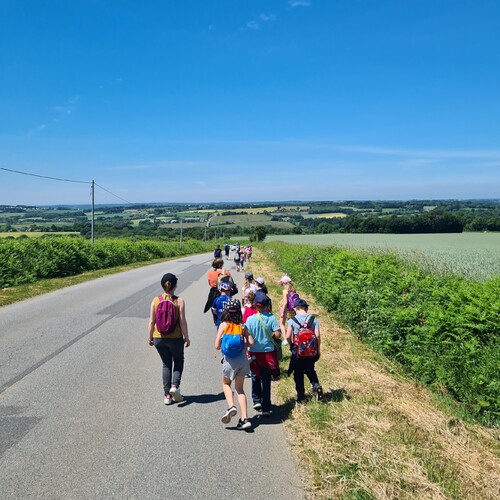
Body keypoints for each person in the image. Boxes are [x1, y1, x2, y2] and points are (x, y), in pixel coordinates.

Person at [148, 273, 190, 405]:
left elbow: (151, 321)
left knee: (166, 364)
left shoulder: (156, 300)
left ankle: (167, 396)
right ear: (175, 285)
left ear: (162, 285)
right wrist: (187, 337)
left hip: (158, 338)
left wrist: (150, 337)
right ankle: (174, 386)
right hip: (175, 337)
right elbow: (182, 321)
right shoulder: (179, 301)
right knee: (178, 360)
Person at [215, 299, 254, 430]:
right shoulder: (242, 326)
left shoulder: (223, 325)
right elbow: (251, 343)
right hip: (243, 360)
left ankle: (231, 406)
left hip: (229, 361)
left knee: (226, 384)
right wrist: (244, 344)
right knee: (240, 389)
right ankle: (245, 419)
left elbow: (216, 346)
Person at [245, 292, 281, 416]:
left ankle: (256, 400)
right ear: (267, 306)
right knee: (266, 379)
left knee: (255, 375)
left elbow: (246, 335)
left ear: (255, 305)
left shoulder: (250, 319)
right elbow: (277, 334)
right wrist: (272, 334)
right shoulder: (271, 318)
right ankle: (266, 406)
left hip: (254, 352)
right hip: (268, 353)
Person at [286, 298, 323, 402]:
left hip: (298, 352)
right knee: (310, 370)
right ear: (306, 308)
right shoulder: (313, 319)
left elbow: (288, 336)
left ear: (295, 308)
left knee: (298, 374)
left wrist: (291, 345)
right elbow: (318, 335)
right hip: (311, 352)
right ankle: (316, 386)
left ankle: (301, 396)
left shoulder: (292, 320)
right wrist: (318, 350)